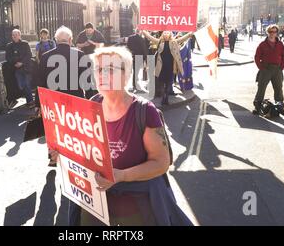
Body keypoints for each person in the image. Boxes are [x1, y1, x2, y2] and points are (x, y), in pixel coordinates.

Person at [49, 46, 192, 226]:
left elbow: (161, 163)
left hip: (136, 210)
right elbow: (84, 153)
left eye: (110, 69)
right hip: (95, 208)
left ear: (126, 75)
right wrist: (63, 153)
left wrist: (121, 175)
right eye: (98, 69)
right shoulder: (92, 105)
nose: (101, 74)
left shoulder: (144, 111)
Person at [35, 26, 86, 166]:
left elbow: (39, 83)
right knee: (74, 130)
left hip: (52, 101)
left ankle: (53, 158)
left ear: (56, 40)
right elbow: (88, 83)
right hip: (75, 100)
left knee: (53, 130)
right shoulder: (80, 55)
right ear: (70, 40)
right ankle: (73, 158)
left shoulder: (45, 57)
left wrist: (38, 104)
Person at [142, 30, 193, 105]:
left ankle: (166, 97)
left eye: (168, 33)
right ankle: (163, 97)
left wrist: (189, 34)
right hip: (161, 66)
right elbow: (150, 38)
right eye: (165, 33)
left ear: (170, 34)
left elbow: (182, 39)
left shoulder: (174, 42)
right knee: (162, 82)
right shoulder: (159, 41)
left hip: (170, 66)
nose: (166, 34)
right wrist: (144, 32)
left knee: (169, 82)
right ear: (163, 34)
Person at [253, 24, 284, 115]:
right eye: (271, 32)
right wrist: (262, 68)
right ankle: (257, 107)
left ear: (276, 33)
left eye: (275, 32)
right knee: (261, 88)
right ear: (267, 32)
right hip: (266, 69)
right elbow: (257, 57)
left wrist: (281, 68)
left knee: (278, 88)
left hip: (277, 70)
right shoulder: (262, 44)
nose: (273, 33)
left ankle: (280, 106)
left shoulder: (280, 44)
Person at [76, 22, 106, 99]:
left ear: (93, 29)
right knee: (86, 75)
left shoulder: (97, 34)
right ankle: (88, 93)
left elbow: (102, 44)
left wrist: (93, 43)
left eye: (90, 30)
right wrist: (84, 44)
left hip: (94, 56)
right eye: (87, 31)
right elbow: (77, 45)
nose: (88, 32)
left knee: (95, 75)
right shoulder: (82, 34)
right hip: (84, 56)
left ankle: (97, 92)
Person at [5, 29, 34, 107]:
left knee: (26, 84)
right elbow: (8, 57)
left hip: (26, 68)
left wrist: (22, 63)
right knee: (21, 85)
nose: (14, 37)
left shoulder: (25, 44)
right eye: (13, 35)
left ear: (19, 35)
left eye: (16, 35)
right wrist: (15, 63)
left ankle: (30, 101)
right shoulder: (9, 46)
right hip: (16, 69)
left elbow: (29, 55)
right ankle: (24, 99)